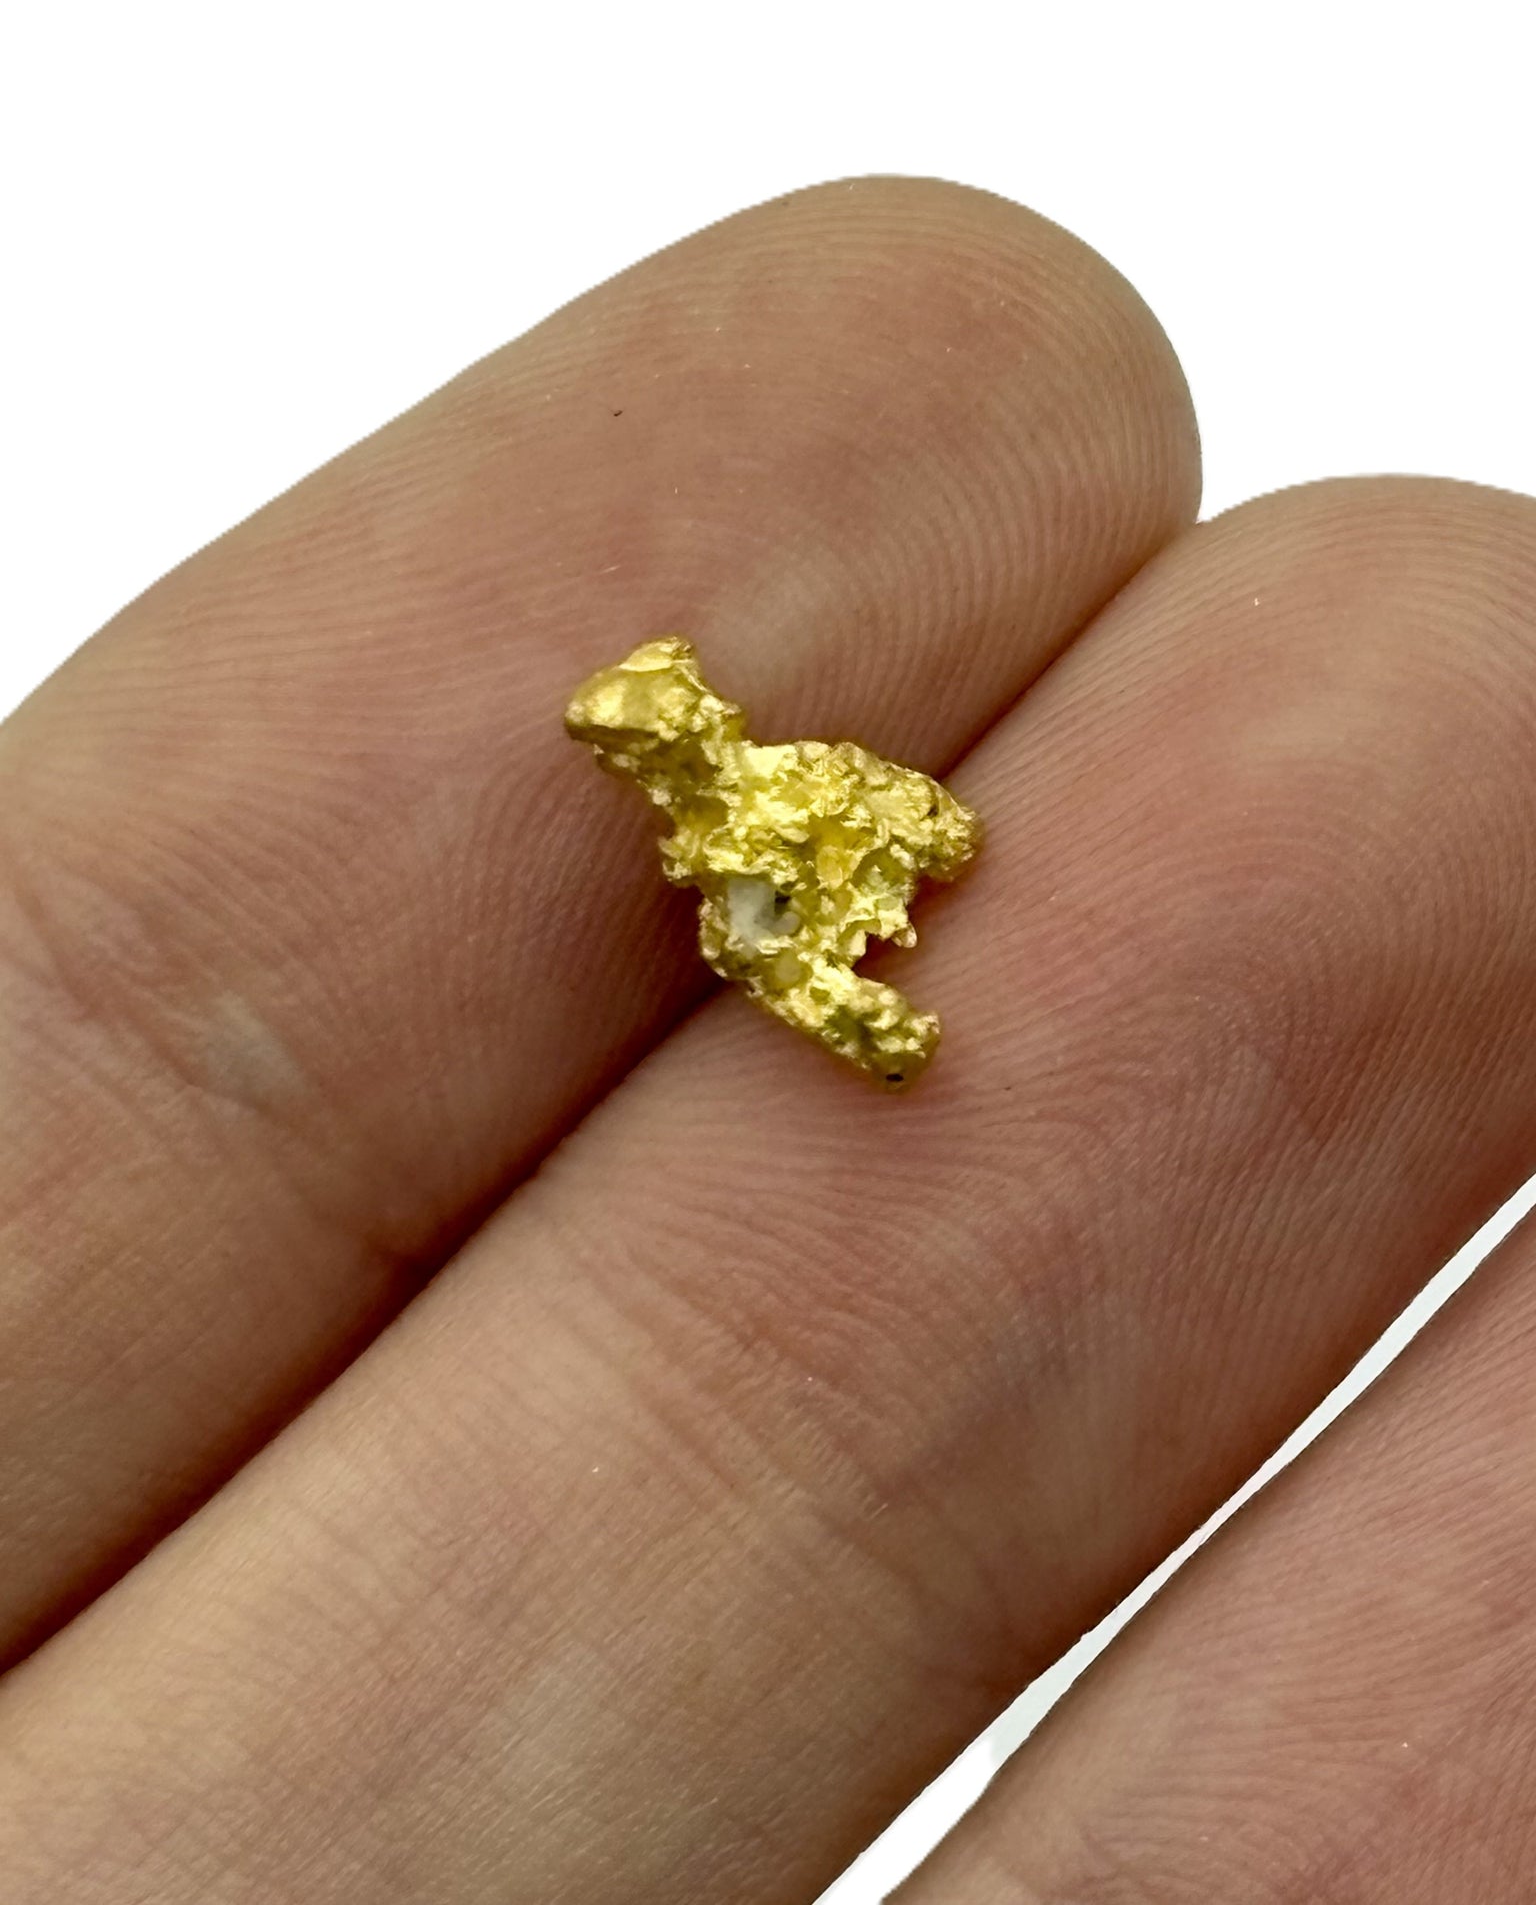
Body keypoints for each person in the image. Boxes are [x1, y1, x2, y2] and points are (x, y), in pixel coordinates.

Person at [1, 176, 1533, 1901]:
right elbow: (760, 900)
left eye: (661, 727)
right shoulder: (718, 856)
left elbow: (874, 812)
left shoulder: (788, 786)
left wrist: (893, 845)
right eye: (644, 744)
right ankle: (862, 1001)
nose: (659, 749)